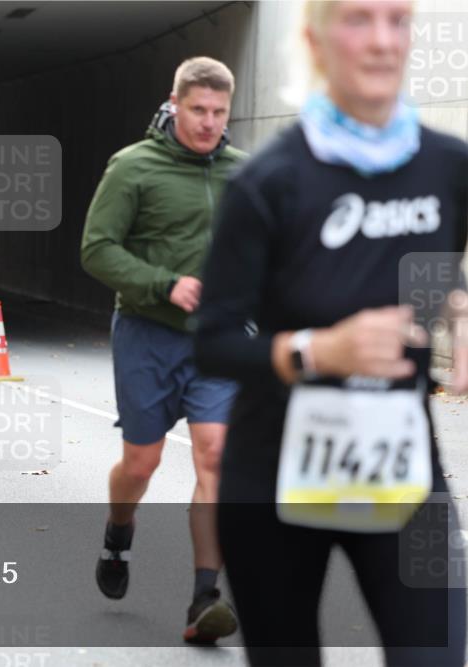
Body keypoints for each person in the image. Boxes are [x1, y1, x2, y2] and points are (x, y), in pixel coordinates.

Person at [194, 2, 468, 664]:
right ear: (314, 38)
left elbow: (434, 271)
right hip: (275, 475)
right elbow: (214, 342)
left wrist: (459, 311)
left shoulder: (448, 166)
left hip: (401, 468)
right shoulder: (268, 182)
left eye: (397, 21)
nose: (381, 41)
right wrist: (319, 350)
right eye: (358, 20)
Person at [79, 56, 246, 643]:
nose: (208, 122)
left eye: (219, 112)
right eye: (198, 109)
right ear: (175, 104)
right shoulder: (133, 166)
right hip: (147, 333)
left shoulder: (243, 174)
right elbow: (96, 249)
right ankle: (118, 532)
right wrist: (163, 283)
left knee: (215, 456)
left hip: (218, 340)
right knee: (141, 463)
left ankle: (205, 598)